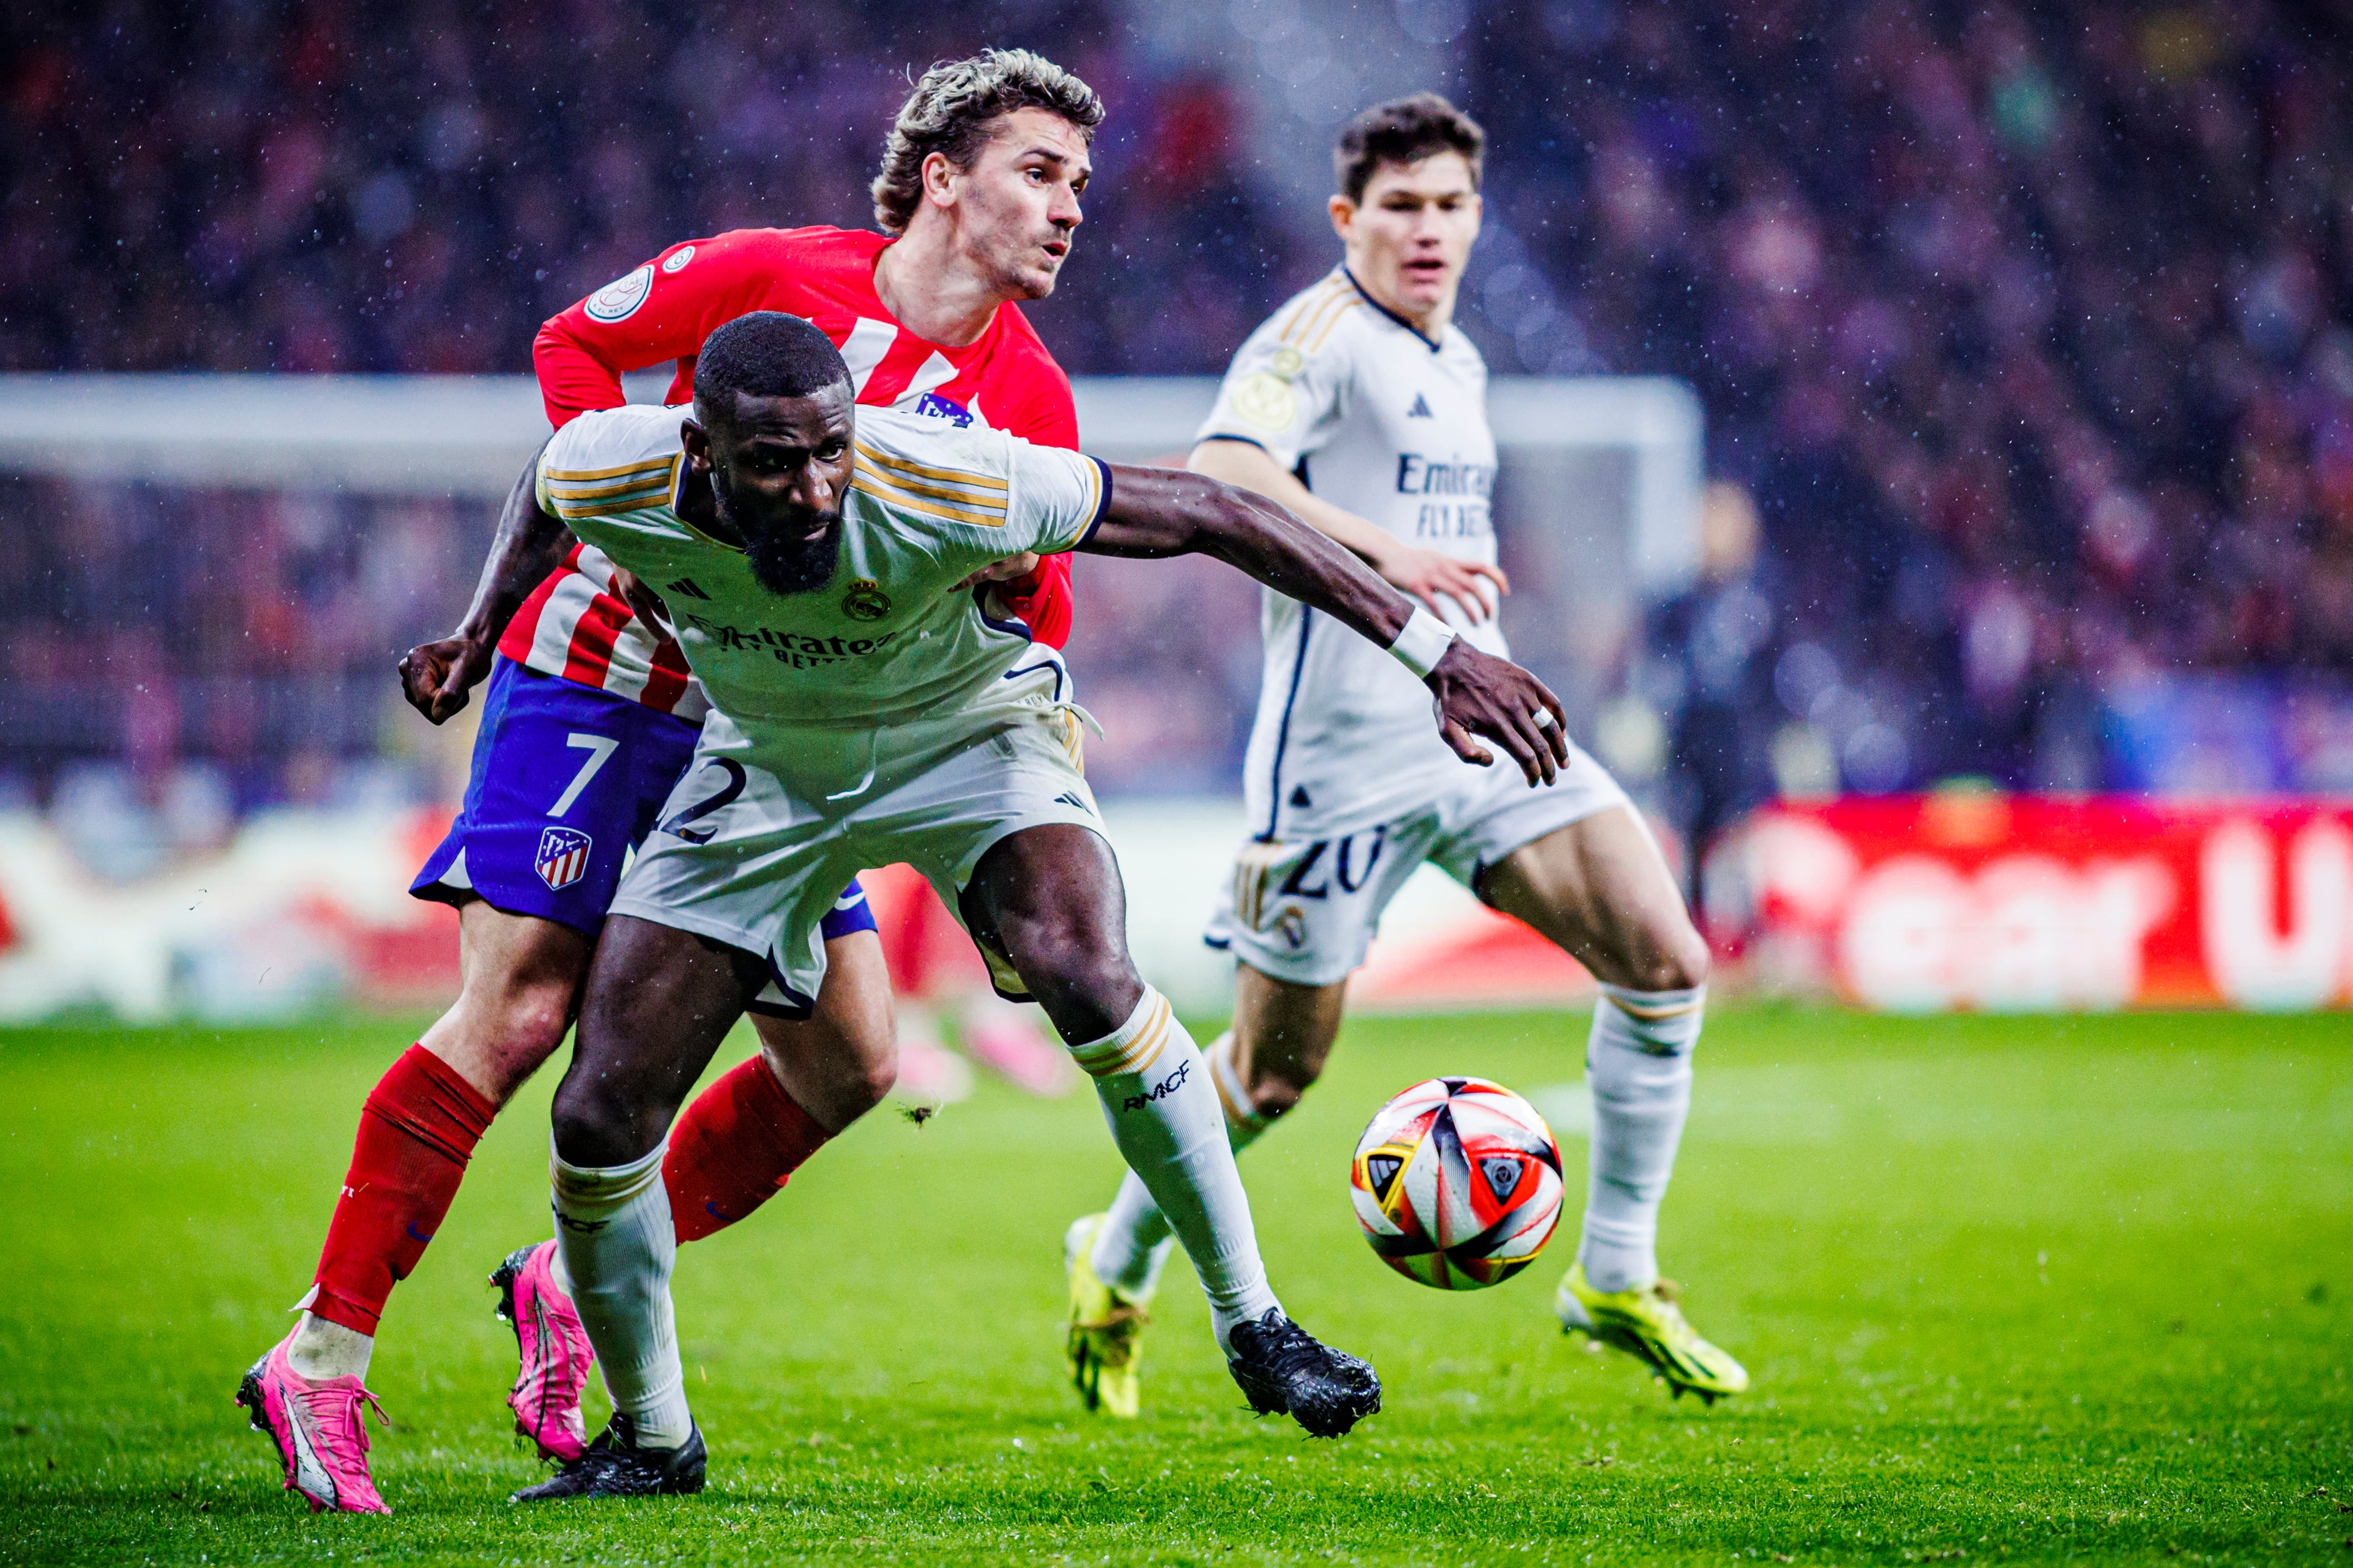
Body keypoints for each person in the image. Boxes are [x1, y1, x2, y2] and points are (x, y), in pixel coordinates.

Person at [235, 48, 1103, 1515]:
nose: (1072, 206)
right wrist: (640, 544)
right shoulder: (774, 276)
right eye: (1042, 171)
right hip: (595, 677)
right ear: (942, 182)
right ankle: (320, 1358)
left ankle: (560, 1286)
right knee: (520, 1008)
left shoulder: (1029, 396)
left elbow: (1027, 631)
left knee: (850, 1067)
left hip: (766, 737)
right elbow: (574, 350)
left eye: (1082, 182)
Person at [503, 309, 1568, 1498]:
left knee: (1084, 970)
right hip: (766, 760)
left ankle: (1255, 1324)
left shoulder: (945, 477)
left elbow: (1219, 512)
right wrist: (471, 632)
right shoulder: (614, 463)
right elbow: (544, 494)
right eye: (772, 463)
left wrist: (1440, 655)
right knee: (598, 1112)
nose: (812, 492)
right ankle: (653, 1441)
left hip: (967, 736)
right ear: (698, 448)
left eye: (830, 453)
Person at [1061, 93, 1746, 1422]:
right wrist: (1390, 555)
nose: (1427, 229)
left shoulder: (1462, 360)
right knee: (1269, 1076)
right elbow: (1221, 474)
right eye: (1400, 207)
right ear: (1347, 217)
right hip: (1341, 762)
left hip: (1474, 733)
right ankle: (1118, 1253)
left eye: (1449, 207)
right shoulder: (1315, 337)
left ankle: (1611, 1272)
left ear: (1476, 218)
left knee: (1664, 961)